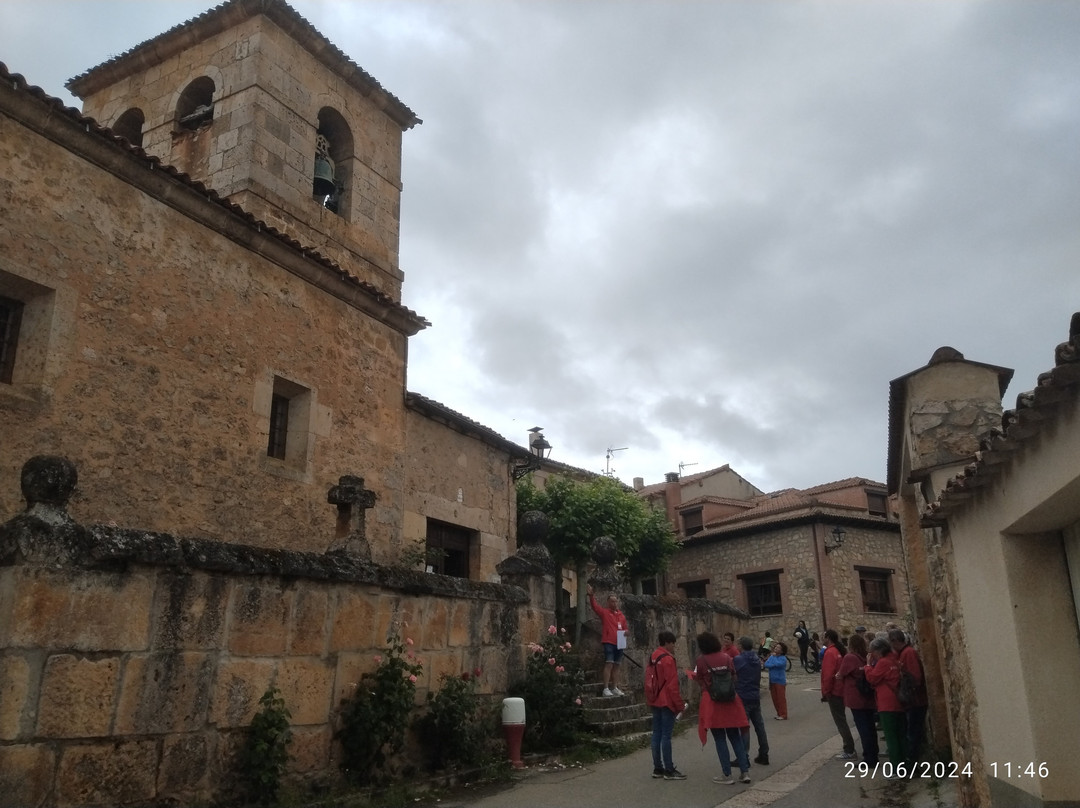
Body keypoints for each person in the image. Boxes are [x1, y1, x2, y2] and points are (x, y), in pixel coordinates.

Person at [694, 631, 751, 785]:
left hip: (713, 702)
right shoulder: (726, 657)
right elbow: (734, 676)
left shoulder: (701, 660)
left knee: (720, 738)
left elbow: (699, 679)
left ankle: (727, 774)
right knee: (735, 736)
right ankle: (744, 772)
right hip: (730, 701)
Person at [647, 630, 687, 780]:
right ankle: (669, 769)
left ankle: (658, 768)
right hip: (666, 700)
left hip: (655, 698)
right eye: (673, 643)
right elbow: (672, 685)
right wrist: (680, 705)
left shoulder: (653, 656)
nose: (674, 646)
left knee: (656, 733)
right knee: (666, 736)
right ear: (668, 643)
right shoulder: (668, 659)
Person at [865, 637, 908, 768]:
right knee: (901, 736)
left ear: (878, 651)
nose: (872, 655)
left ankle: (897, 767)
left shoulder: (883, 662)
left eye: (872, 652)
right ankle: (906, 764)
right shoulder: (894, 659)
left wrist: (867, 666)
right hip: (899, 701)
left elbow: (872, 678)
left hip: (887, 703)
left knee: (891, 737)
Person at [889, 628, 928, 764]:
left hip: (916, 700)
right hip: (911, 701)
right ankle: (912, 761)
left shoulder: (908, 653)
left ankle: (913, 764)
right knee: (911, 732)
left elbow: (915, 677)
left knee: (913, 733)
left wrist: (905, 688)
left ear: (895, 641)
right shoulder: (902, 653)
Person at [839, 632, 878, 766]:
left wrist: (838, 675)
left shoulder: (850, 657)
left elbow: (841, 674)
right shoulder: (865, 657)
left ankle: (869, 759)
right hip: (868, 697)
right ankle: (873, 755)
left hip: (856, 697)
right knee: (870, 728)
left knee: (863, 729)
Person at [733, 636, 770, 765]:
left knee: (744, 727)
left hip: (743, 695)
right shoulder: (756, 659)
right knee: (759, 726)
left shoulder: (738, 659)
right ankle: (764, 753)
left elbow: (734, 675)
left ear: (741, 646)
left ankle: (744, 757)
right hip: (755, 694)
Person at [821, 629, 856, 760]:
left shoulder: (830, 652)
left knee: (840, 721)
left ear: (828, 638)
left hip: (834, 691)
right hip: (840, 690)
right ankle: (849, 748)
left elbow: (828, 674)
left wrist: (826, 691)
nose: (821, 638)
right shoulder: (837, 651)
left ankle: (849, 749)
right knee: (841, 720)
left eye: (823, 636)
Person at [587, 584, 628, 696]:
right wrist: (591, 596)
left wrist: (626, 632)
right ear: (608, 603)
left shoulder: (622, 616)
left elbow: (625, 628)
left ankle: (614, 687)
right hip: (609, 642)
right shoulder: (605, 613)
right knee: (609, 664)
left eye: (616, 601)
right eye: (612, 601)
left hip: (619, 643)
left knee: (617, 665)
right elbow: (595, 607)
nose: (614, 603)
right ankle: (606, 688)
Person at [764, 642, 789, 720]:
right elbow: (766, 664)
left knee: (781, 698)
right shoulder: (772, 656)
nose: (776, 648)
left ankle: (783, 714)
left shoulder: (783, 658)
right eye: (776, 647)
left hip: (780, 681)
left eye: (778, 648)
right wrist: (773, 662)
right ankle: (779, 713)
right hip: (772, 680)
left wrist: (773, 660)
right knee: (774, 698)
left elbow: (779, 664)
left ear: (782, 651)